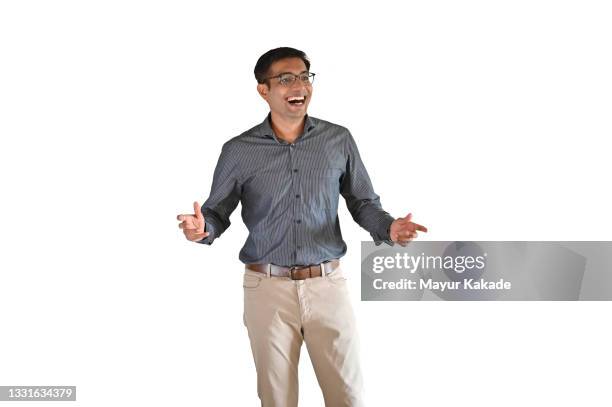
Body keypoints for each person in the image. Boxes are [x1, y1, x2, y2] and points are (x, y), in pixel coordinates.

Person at [177, 47, 427, 407]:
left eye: (304, 77)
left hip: (328, 286)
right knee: (277, 399)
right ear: (263, 90)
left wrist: (388, 228)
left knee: (348, 396)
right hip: (266, 290)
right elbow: (216, 213)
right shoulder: (238, 150)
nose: (299, 86)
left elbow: (362, 202)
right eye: (285, 79)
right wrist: (203, 229)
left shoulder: (338, 140)